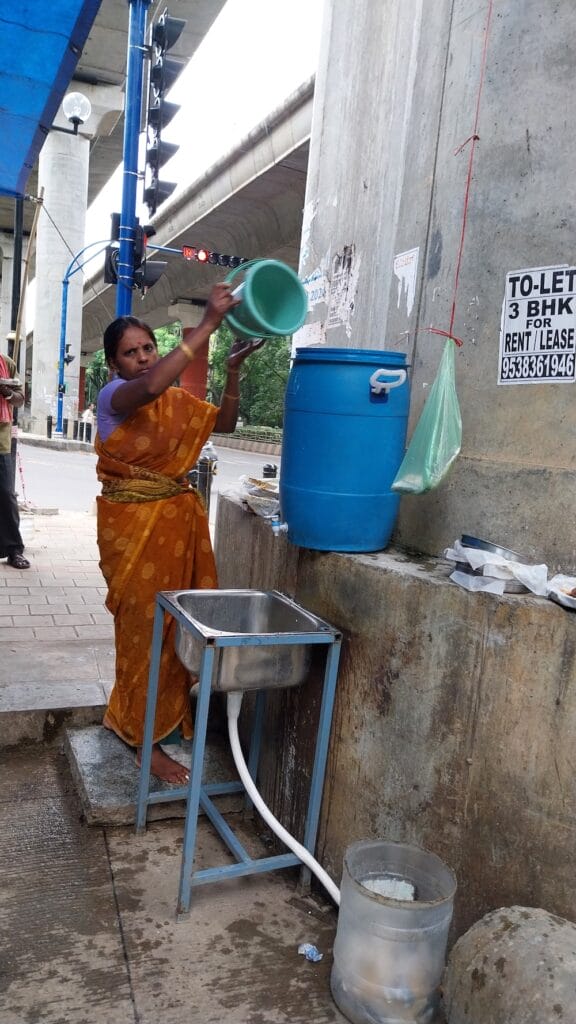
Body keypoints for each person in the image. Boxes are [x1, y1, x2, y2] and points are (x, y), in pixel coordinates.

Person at [95, 282, 262, 784]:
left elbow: (226, 424)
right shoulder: (116, 398)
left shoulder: (174, 400)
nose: (143, 359)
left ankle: (161, 722)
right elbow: (146, 389)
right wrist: (207, 323)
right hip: (134, 533)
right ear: (114, 365)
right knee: (144, 633)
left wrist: (231, 372)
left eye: (148, 347)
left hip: (177, 526)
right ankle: (145, 743)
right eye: (131, 353)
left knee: (177, 631)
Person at [0, 350, 29, 569]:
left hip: (1, 440)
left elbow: (20, 399)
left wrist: (7, 392)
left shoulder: (5, 363)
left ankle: (13, 550)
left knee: (6, 494)